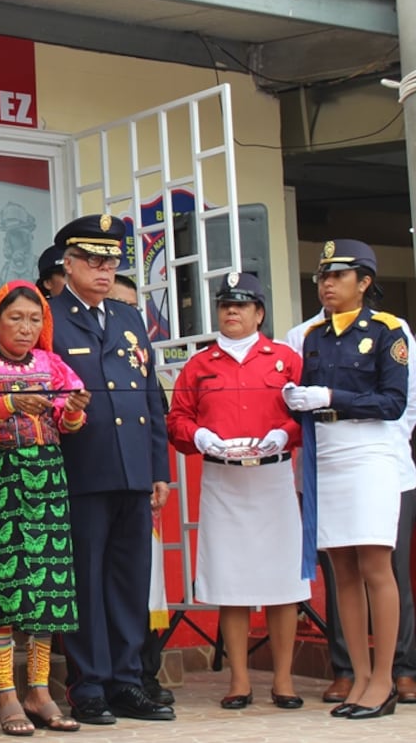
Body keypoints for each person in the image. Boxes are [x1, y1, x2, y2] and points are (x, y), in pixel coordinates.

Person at [47, 213, 173, 725]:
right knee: (86, 581)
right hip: (81, 468)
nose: (104, 271)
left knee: (128, 580)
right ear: (70, 264)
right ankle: (89, 683)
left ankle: (127, 680)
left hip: (132, 468)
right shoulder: (48, 316)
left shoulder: (127, 318)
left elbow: (150, 396)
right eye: (94, 262)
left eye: (112, 262)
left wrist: (157, 467)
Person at [166, 272, 309, 710]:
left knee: (283, 582)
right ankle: (240, 680)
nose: (232, 311)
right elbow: (177, 420)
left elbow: (306, 413)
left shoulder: (286, 359)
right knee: (231, 582)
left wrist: (285, 435)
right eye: (226, 304)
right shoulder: (199, 364)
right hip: (223, 480)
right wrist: (202, 437)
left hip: (272, 477)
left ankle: (283, 680)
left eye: (242, 305)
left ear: (259, 313)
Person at [0, 279, 90, 735]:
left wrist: (72, 407)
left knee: (47, 589)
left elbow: (69, 424)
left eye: (35, 319)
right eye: (15, 317)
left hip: (48, 477)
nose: (25, 327)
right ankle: (6, 695)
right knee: (6, 589)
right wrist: (11, 403)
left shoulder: (53, 365)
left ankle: (38, 690)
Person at [283, 238, 409, 719]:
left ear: (365, 282)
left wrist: (331, 395)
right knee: (344, 572)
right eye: (322, 276)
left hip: (368, 450)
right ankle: (358, 675)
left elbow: (393, 403)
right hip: (328, 453)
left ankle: (383, 679)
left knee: (377, 565)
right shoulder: (312, 336)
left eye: (337, 276)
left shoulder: (386, 331)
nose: (327, 284)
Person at [107, 274, 173, 707]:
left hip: (137, 478)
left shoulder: (138, 342)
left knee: (141, 584)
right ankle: (102, 678)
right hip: (97, 477)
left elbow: (155, 409)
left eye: (134, 306)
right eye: (120, 304)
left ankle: (140, 673)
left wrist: (158, 471)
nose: (128, 314)